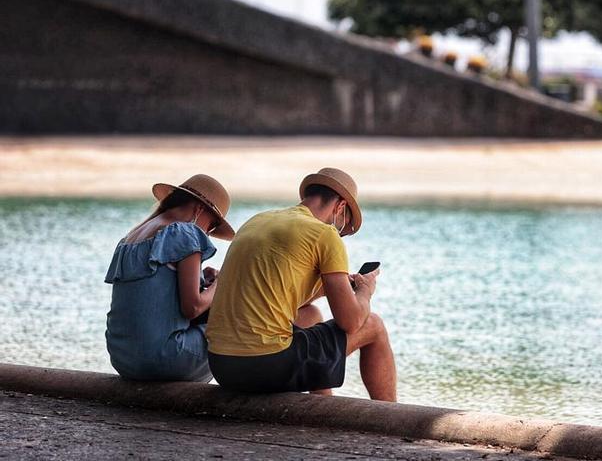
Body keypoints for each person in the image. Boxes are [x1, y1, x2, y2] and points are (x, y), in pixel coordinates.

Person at [206, 167, 396, 401]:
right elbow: (351, 321)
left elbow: (275, 295)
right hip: (263, 367)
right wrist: (365, 292)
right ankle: (392, 414)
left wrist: (327, 290)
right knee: (374, 325)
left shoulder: (258, 220)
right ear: (340, 207)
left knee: (311, 315)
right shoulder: (324, 234)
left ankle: (322, 405)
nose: (340, 232)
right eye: (344, 227)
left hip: (222, 365)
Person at [104, 174, 235, 382]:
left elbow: (154, 295)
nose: (207, 233)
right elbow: (192, 308)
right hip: (161, 359)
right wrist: (222, 283)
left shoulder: (130, 237)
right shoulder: (186, 233)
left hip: (123, 359)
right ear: (199, 208)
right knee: (235, 325)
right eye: (211, 225)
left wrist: (202, 279)